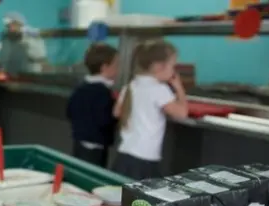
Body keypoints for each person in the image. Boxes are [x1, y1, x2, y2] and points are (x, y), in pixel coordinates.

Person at [112, 39, 188, 180]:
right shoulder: (159, 89)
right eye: (172, 66)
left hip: (125, 154)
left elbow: (116, 112)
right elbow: (182, 113)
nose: (173, 71)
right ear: (159, 66)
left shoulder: (131, 85)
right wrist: (179, 87)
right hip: (144, 158)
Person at [67, 43, 119, 168]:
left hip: (79, 141)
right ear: (104, 67)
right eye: (116, 65)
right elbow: (104, 119)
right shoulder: (103, 92)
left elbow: (69, 111)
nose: (118, 69)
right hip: (96, 145)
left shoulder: (81, 87)